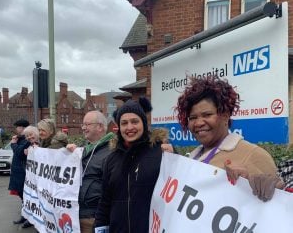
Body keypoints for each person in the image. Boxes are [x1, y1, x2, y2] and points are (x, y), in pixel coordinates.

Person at [175, 76, 284, 202]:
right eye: (193, 117)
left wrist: (269, 187)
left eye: (207, 115)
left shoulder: (254, 154)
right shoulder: (193, 156)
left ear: (225, 116)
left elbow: (277, 207)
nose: (198, 123)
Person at [94, 97, 167, 233]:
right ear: (119, 127)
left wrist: (174, 156)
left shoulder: (161, 152)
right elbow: (104, 203)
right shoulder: (111, 159)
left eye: (135, 122)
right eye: (124, 123)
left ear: (144, 124)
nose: (129, 128)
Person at [66, 111, 115, 233]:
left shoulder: (112, 152)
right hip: (76, 213)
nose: (83, 128)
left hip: (93, 217)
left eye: (87, 124)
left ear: (100, 127)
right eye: (83, 124)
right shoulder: (83, 148)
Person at [8, 119, 31, 226]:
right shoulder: (20, 139)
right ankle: (24, 215)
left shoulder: (27, 139)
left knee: (26, 197)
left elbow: (20, 153)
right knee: (22, 197)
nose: (16, 129)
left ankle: (29, 218)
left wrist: (13, 144)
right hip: (18, 173)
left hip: (24, 173)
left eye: (17, 127)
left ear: (22, 128)